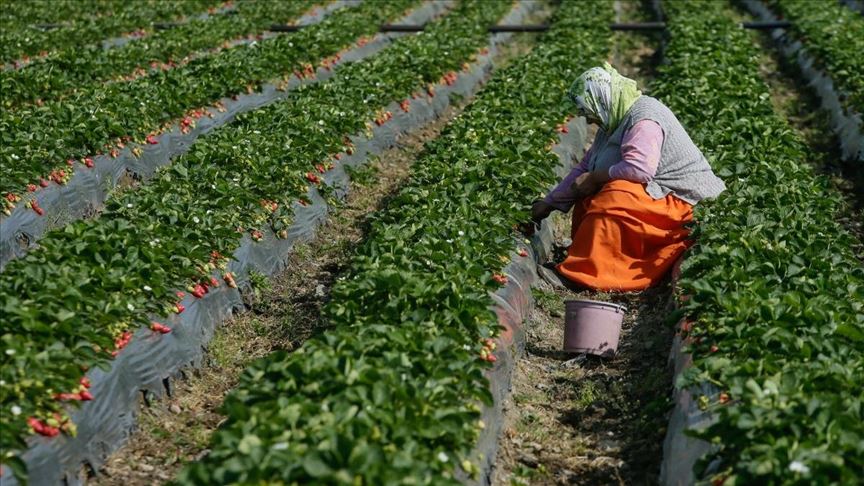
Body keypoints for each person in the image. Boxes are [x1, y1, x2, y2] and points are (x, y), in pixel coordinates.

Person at [530, 63, 725, 291]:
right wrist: (550, 203)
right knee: (589, 190)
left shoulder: (644, 120)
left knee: (614, 196)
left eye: (590, 114)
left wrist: (595, 178)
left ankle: (586, 275)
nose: (590, 122)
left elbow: (639, 170)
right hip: (660, 193)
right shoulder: (614, 120)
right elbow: (586, 166)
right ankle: (588, 259)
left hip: (684, 202)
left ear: (602, 100)